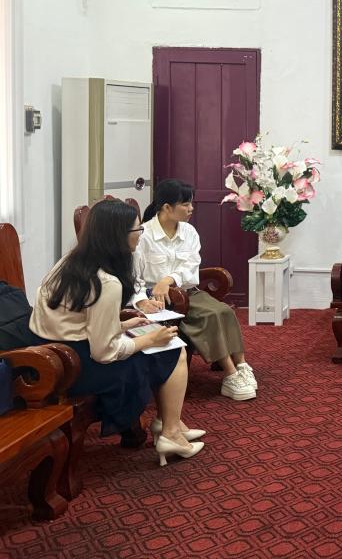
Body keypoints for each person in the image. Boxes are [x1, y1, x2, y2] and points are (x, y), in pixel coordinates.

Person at [29, 199, 204, 466]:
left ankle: (170, 424)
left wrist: (121, 325)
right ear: (117, 236)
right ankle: (169, 431)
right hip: (77, 366)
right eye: (137, 230)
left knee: (162, 345)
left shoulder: (69, 262)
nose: (141, 235)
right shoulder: (106, 282)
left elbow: (75, 320)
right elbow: (105, 352)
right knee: (172, 349)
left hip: (50, 353)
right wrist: (148, 339)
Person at [134, 180, 257, 401]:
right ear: (167, 207)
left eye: (191, 203)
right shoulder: (144, 235)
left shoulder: (189, 231)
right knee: (210, 314)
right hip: (158, 299)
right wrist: (145, 298)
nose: (191, 208)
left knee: (224, 311)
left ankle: (242, 366)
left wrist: (169, 279)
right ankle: (230, 375)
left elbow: (192, 265)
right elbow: (134, 277)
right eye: (185, 204)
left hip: (188, 292)